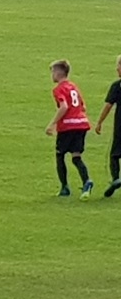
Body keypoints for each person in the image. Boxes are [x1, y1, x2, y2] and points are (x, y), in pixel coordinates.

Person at [45, 60, 93, 200]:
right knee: (76, 156)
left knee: (60, 155)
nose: (52, 75)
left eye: (53, 72)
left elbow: (64, 106)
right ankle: (87, 181)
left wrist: (52, 124)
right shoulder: (74, 87)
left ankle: (64, 187)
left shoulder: (59, 89)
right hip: (82, 124)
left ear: (59, 73)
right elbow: (83, 106)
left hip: (68, 126)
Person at [95, 56, 121, 197]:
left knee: (115, 154)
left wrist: (99, 122)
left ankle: (116, 178)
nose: (116, 69)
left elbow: (108, 106)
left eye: (118, 66)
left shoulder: (117, 86)